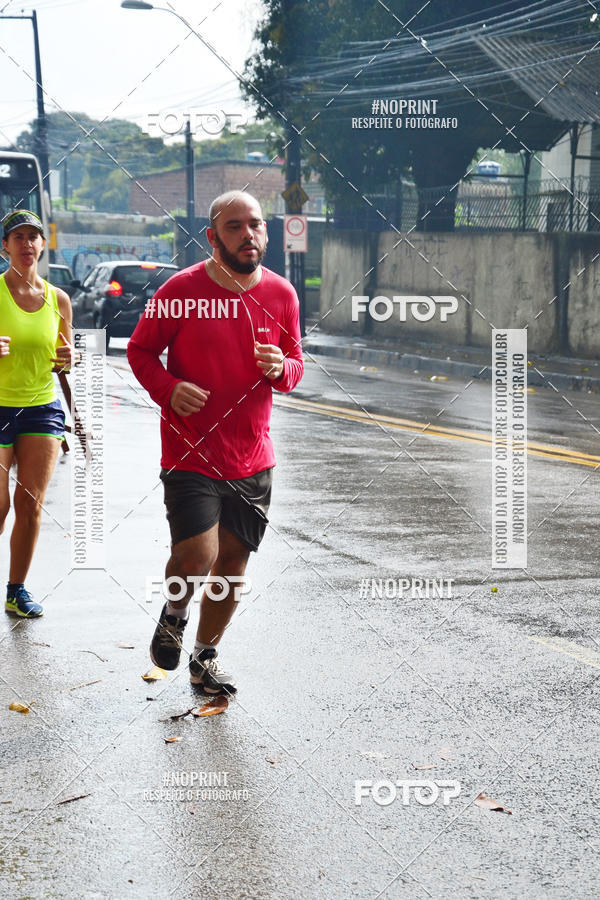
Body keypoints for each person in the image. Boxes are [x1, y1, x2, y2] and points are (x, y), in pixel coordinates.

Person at [127, 190, 304, 694]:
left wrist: (281, 368)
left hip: (252, 454)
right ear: (212, 236)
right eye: (235, 227)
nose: (249, 235)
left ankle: (204, 658)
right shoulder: (180, 291)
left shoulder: (282, 295)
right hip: (190, 451)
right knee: (197, 555)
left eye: (257, 225)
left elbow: (295, 369)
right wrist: (168, 388)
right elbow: (140, 351)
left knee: (232, 562)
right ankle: (175, 612)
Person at [0, 210, 73, 617]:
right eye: (18, 237)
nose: (27, 243)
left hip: (42, 408)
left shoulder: (58, 299)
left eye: (34, 237)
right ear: (5, 247)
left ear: (43, 245)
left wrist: (71, 357)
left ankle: (16, 591)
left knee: (30, 504)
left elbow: (64, 361)